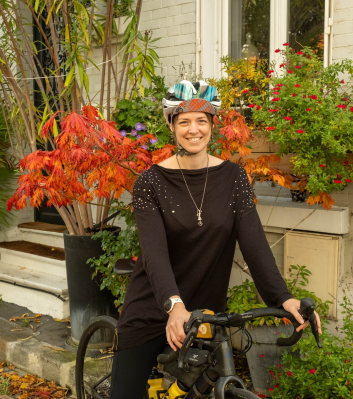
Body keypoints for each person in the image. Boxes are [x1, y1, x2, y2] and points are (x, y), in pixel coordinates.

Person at [108, 81, 322, 398]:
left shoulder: (234, 178)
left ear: (212, 125)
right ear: (171, 125)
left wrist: (284, 299)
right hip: (155, 309)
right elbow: (154, 253)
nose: (193, 129)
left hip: (208, 314)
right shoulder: (150, 183)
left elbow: (256, 247)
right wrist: (174, 306)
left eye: (201, 120)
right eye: (184, 121)